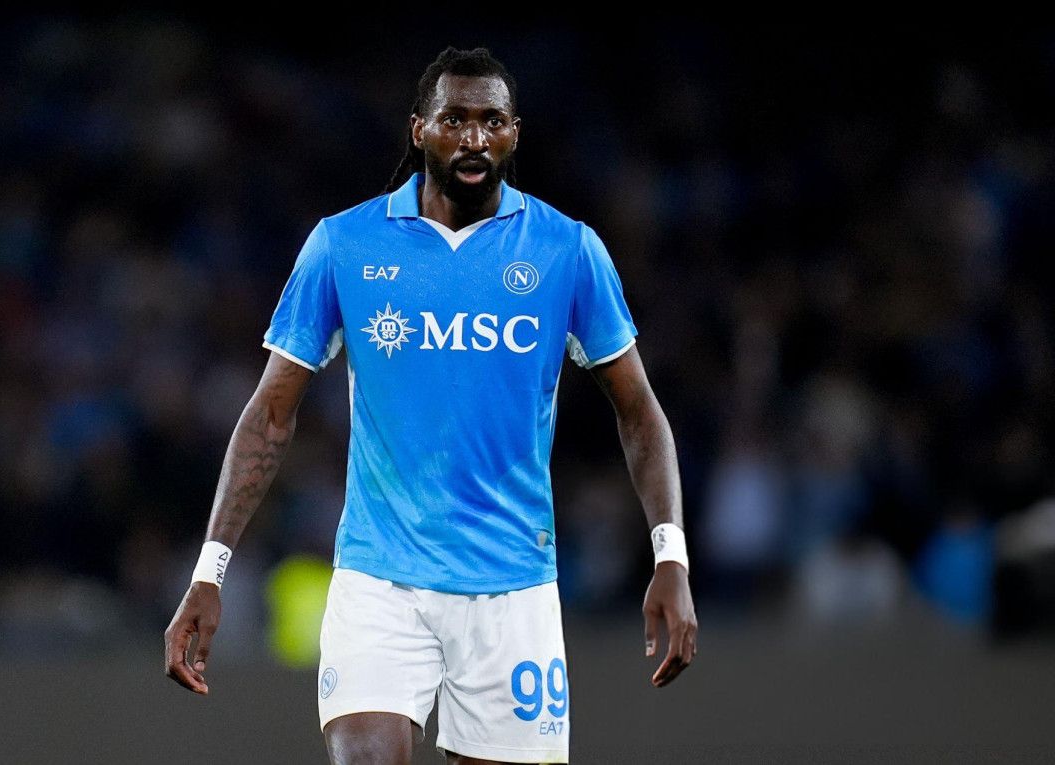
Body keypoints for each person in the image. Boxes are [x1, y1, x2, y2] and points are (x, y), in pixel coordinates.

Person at [164, 46, 698, 765]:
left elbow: (639, 411)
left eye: (492, 121)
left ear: (513, 134)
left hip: (512, 587)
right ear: (420, 129)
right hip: (379, 579)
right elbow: (269, 415)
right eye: (455, 119)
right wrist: (209, 571)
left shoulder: (567, 250)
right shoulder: (344, 245)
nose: (474, 137)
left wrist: (672, 556)